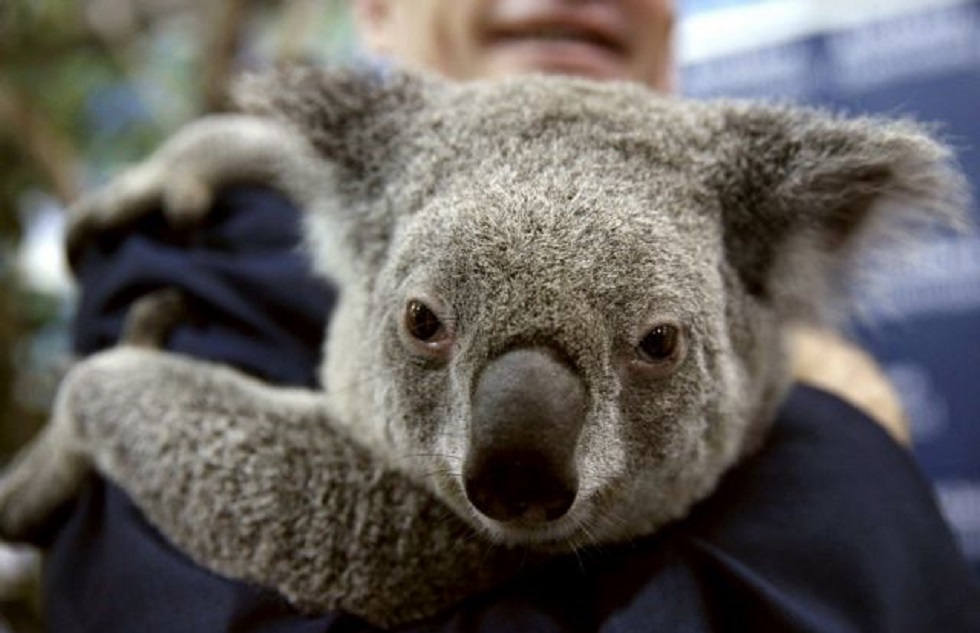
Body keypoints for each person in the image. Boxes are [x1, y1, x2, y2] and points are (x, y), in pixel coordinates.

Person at [45, 0, 979, 631]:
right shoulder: (203, 248)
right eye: (421, 323)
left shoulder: (749, 272)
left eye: (659, 343)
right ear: (374, 10)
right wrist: (854, 450)